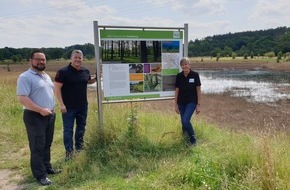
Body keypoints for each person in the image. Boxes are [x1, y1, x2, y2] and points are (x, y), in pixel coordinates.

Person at [17, 49, 60, 186]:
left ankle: (47, 168)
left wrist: (50, 108)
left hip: (49, 115)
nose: (41, 61)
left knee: (47, 144)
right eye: (38, 59)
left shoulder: (46, 76)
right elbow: (22, 98)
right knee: (37, 146)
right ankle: (40, 175)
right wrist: (40, 109)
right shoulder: (25, 77)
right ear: (31, 61)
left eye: (43, 59)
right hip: (34, 116)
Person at [54, 50, 96, 161]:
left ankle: (79, 149)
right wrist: (61, 104)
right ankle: (69, 152)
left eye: (80, 58)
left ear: (82, 59)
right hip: (68, 108)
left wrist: (96, 78)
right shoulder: (63, 72)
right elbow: (57, 89)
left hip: (83, 106)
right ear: (71, 58)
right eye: (75, 57)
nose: (78, 59)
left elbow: (88, 81)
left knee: (81, 128)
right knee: (68, 130)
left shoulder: (85, 71)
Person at [175, 57, 201, 146]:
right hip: (181, 102)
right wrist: (175, 105)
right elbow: (177, 91)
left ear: (189, 65)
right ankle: (185, 137)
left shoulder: (195, 75)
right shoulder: (179, 76)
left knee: (185, 120)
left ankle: (193, 140)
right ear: (181, 66)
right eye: (182, 65)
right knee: (183, 122)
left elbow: (198, 90)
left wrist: (198, 105)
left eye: (186, 64)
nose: (184, 66)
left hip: (191, 102)